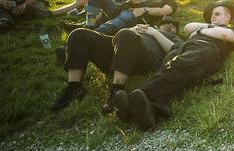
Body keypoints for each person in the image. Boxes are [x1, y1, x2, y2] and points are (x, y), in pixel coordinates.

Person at [111, 0, 234, 131]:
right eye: (212, 14)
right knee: (169, 68)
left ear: (227, 17)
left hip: (207, 50)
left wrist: (200, 31)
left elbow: (223, 34)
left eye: (217, 14)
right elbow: (188, 27)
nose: (213, 16)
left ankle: (133, 104)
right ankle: (150, 111)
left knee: (179, 65)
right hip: (185, 48)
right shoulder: (207, 27)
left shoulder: (231, 30)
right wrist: (207, 28)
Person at [50, 16, 183, 112]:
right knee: (78, 34)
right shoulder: (140, 27)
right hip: (117, 48)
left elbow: (176, 50)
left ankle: (116, 91)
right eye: (167, 23)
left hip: (143, 58)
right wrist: (133, 29)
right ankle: (74, 87)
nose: (170, 26)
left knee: (126, 34)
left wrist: (154, 32)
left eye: (173, 26)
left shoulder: (172, 36)